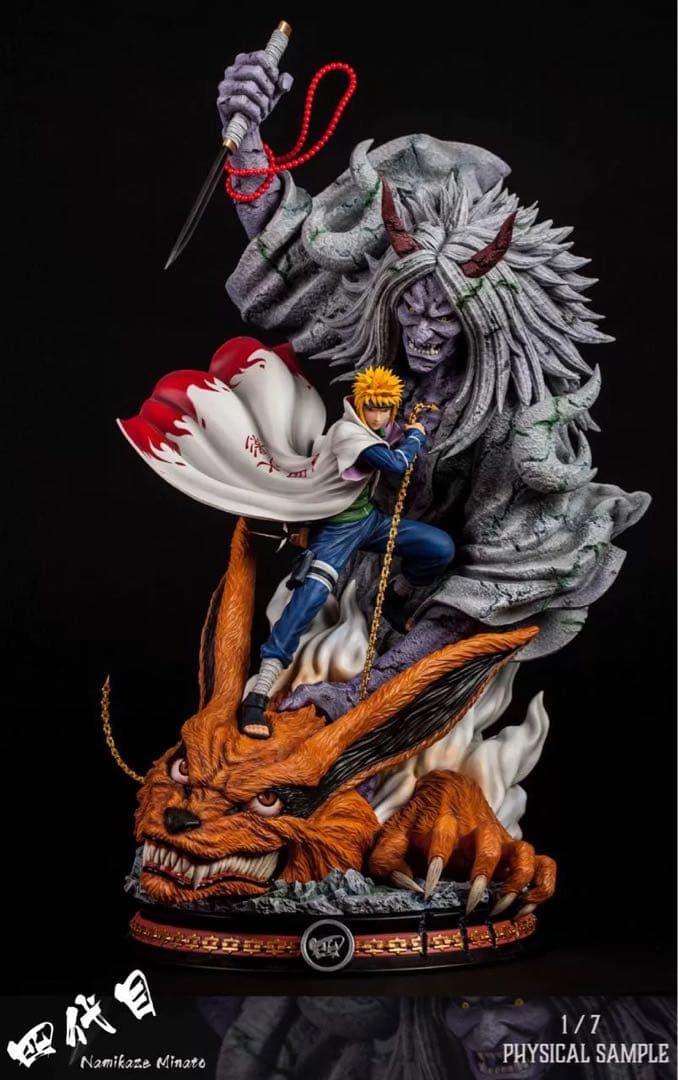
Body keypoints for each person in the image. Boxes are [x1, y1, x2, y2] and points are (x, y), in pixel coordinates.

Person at [240, 365, 454, 738]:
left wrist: (414, 422)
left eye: (385, 409)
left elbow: (395, 433)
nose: (378, 417)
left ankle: (394, 595)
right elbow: (396, 463)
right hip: (335, 532)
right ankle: (257, 696)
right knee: (307, 600)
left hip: (368, 521)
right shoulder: (348, 433)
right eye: (372, 408)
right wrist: (415, 436)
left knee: (439, 548)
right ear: (359, 404)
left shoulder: (379, 429)